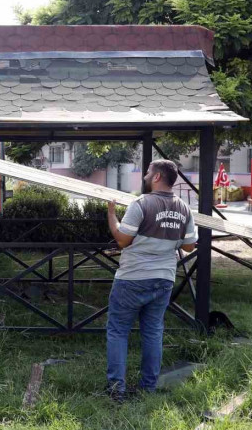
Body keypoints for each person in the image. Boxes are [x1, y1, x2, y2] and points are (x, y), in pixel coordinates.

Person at [105, 160, 197, 402]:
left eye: (147, 172)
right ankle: (148, 388)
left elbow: (123, 240)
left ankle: (117, 390)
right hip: (164, 278)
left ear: (157, 177)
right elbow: (189, 245)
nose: (145, 176)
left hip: (133, 278)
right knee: (153, 332)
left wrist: (112, 215)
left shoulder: (141, 204)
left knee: (118, 331)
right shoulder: (184, 208)